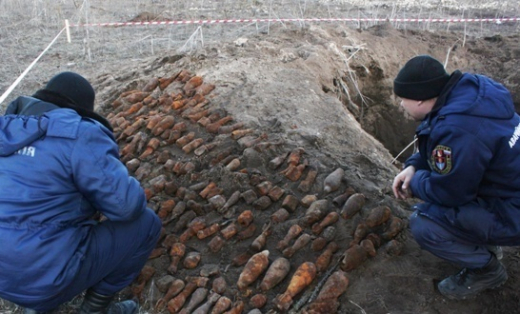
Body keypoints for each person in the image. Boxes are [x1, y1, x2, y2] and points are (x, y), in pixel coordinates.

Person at [0, 72, 162, 313]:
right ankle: (94, 309)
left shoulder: (7, 130)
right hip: (42, 279)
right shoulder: (79, 134)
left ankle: (33, 303)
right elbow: (125, 206)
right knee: (146, 224)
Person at [391, 55, 519, 300]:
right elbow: (439, 141)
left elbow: (450, 193)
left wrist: (415, 184)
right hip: (508, 191)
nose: (400, 105)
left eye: (402, 99)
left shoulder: (459, 129)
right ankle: (486, 243)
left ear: (419, 98)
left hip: (513, 211)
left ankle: (486, 270)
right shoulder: (469, 95)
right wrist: (414, 165)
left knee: (425, 223)